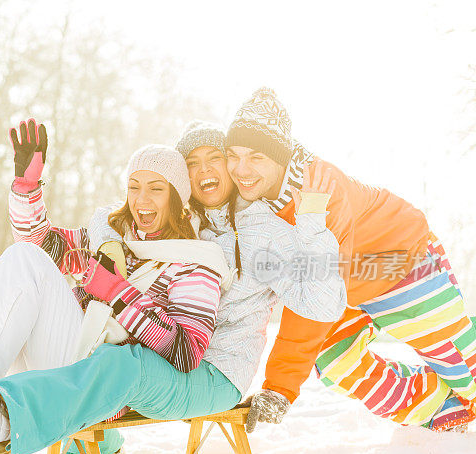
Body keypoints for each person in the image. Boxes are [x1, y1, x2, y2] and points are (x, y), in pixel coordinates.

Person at [0, 121, 231, 454]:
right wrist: (27, 187)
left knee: (25, 260)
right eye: (134, 186)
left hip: (98, 379)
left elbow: (186, 352)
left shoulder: (194, 262)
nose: (142, 199)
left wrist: (115, 291)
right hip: (68, 351)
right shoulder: (112, 239)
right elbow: (40, 241)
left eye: (156, 189)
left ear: (177, 197)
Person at [228, 87, 476, 432]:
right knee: (337, 361)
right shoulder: (250, 204)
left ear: (280, 157)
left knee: (461, 362)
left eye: (255, 156)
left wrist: (279, 387)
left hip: (401, 262)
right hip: (347, 288)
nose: (241, 168)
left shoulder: (322, 189)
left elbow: (315, 291)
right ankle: (439, 406)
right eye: (233, 155)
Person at [89, 122, 347, 432]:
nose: (203, 170)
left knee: (111, 364)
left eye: (214, 158)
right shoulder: (185, 221)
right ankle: (103, 439)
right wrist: (108, 243)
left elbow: (322, 306)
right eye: (192, 163)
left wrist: (312, 222)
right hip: (168, 352)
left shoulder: (262, 235)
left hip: (218, 369)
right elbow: (108, 215)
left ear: (230, 166)